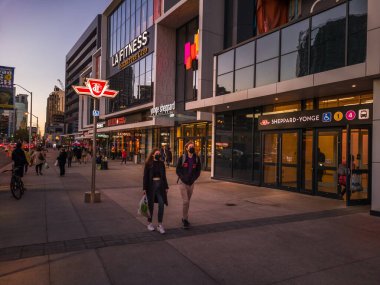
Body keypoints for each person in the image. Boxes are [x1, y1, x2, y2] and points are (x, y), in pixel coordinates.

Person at [176, 141, 201, 229]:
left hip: (191, 183)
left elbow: (198, 170)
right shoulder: (182, 157)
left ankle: (184, 217)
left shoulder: (196, 158)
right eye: (190, 146)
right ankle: (185, 219)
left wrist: (194, 178)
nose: (192, 148)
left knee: (188, 202)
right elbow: (178, 170)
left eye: (193, 146)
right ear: (186, 148)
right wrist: (183, 178)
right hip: (183, 183)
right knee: (185, 201)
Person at [143, 148, 169, 234]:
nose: (158, 154)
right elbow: (145, 177)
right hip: (151, 186)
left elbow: (164, 176)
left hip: (160, 186)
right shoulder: (149, 164)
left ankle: (160, 225)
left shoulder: (161, 163)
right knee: (151, 206)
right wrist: (144, 188)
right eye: (157, 153)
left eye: (159, 153)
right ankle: (149, 224)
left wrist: (166, 187)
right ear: (153, 154)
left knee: (161, 203)